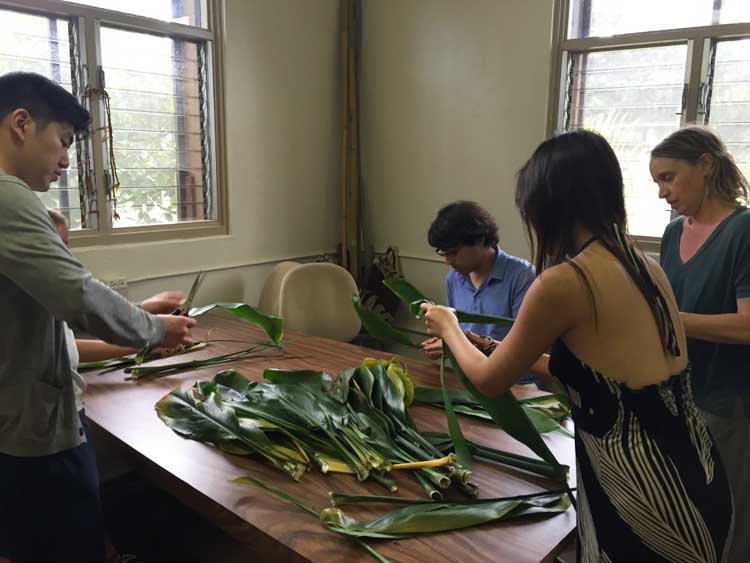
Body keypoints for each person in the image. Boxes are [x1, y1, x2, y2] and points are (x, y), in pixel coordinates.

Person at [422, 130, 733, 562]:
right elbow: (607, 380)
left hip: (646, 492)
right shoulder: (642, 264)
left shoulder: (566, 281)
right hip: (697, 472)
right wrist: (494, 347)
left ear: (548, 206)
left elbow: (490, 384)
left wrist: (449, 326)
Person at [0, 71, 196, 563]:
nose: (67, 160)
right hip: (33, 438)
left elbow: (49, 305)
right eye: (63, 141)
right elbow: (77, 295)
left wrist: (140, 313)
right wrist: (152, 331)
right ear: (21, 123)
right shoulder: (7, 197)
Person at [651, 126, 750, 562]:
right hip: (677, 397)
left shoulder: (743, 230)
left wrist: (670, 321)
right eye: (656, 181)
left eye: (669, 178)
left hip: (727, 403)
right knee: (685, 518)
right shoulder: (673, 233)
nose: (661, 192)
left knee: (728, 523)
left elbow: (748, 327)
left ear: (705, 165)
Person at [421, 202, 535, 367]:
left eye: (453, 252)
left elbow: (525, 348)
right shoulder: (454, 278)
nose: (447, 261)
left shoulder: (522, 277)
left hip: (516, 382)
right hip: (469, 378)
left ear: (480, 240)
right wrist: (444, 343)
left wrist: (454, 346)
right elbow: (460, 334)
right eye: (442, 253)